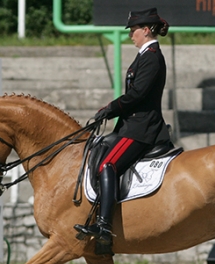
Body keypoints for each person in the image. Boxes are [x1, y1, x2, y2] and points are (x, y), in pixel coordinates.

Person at [74, 8, 171, 249]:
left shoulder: (152, 57)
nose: (131, 35)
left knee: (108, 164)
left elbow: (137, 95)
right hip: (131, 124)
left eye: (134, 30)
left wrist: (111, 107)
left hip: (141, 128)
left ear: (146, 30)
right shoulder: (144, 55)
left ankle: (105, 225)